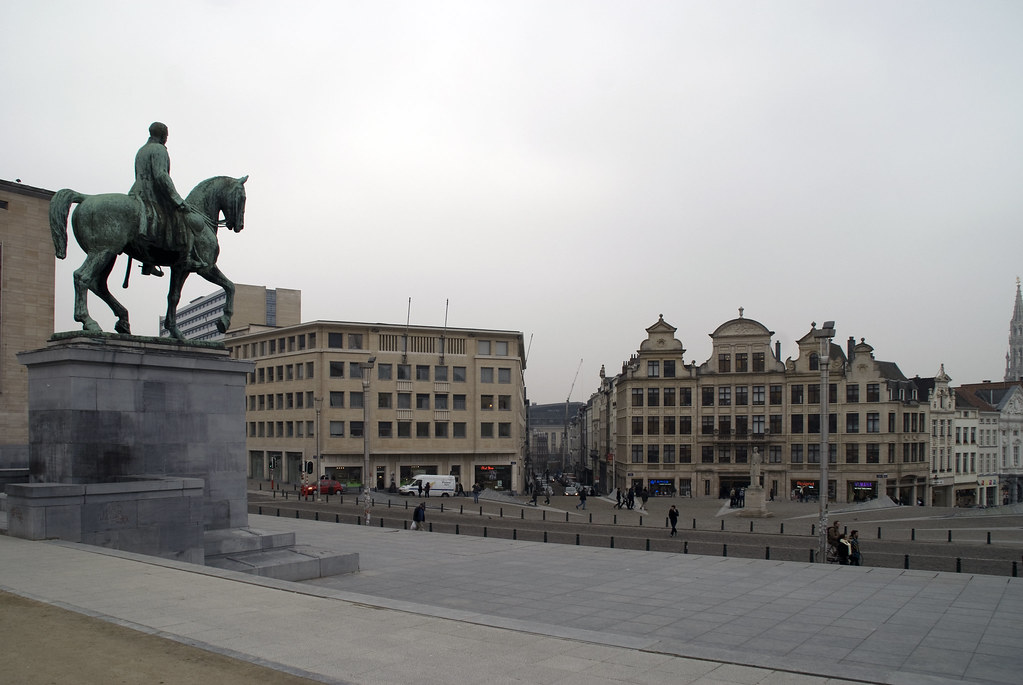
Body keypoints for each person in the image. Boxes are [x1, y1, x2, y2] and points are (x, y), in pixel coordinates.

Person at [128, 121, 207, 276]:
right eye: (167, 135)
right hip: (153, 194)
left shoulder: (142, 150)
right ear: (163, 135)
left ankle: (148, 263)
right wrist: (178, 200)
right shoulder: (159, 150)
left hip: (137, 193)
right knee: (186, 219)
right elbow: (161, 176)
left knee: (152, 224)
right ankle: (188, 258)